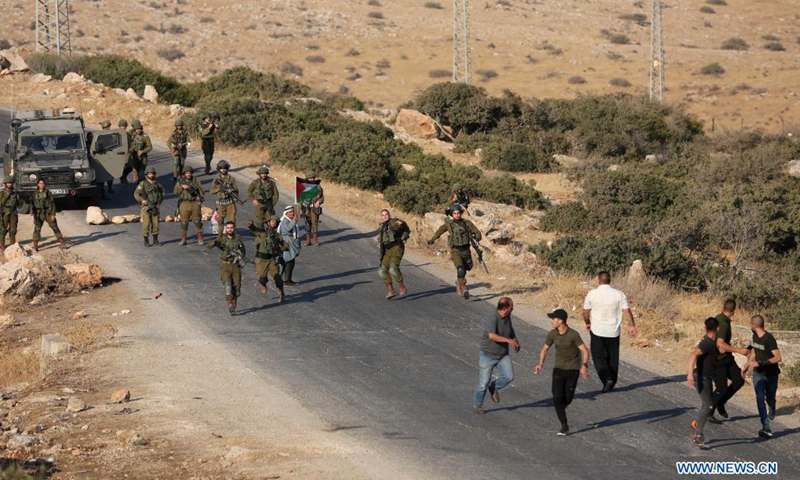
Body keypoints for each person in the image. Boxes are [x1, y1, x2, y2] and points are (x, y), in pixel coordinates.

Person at [534, 309, 590, 436]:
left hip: (572, 370)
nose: (551, 321)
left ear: (561, 321)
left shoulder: (573, 335)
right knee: (557, 396)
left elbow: (585, 351)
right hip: (558, 369)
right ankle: (564, 425)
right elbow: (544, 350)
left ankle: (561, 408)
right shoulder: (552, 334)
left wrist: (584, 366)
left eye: (553, 319)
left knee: (567, 399)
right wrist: (540, 364)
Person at [582, 271, 637, 393]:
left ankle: (607, 379)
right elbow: (627, 311)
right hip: (614, 331)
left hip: (597, 330)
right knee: (613, 358)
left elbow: (585, 312)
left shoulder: (592, 294)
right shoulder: (619, 294)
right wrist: (632, 326)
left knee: (598, 356)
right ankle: (613, 379)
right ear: (610, 281)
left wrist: (587, 323)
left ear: (598, 281)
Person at [474, 297, 519, 414]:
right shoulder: (492, 317)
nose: (512, 310)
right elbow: (492, 336)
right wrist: (508, 341)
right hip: (488, 355)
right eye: (511, 308)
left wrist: (515, 340)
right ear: (505, 309)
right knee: (483, 383)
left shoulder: (508, 316)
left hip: (503, 355)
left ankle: (494, 387)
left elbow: (510, 329)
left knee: (509, 376)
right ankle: (478, 405)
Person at [427, 203, 481, 299]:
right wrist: (432, 239)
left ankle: (458, 282)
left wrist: (477, 237)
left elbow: (476, 231)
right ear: (452, 214)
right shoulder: (449, 225)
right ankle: (464, 288)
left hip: (466, 250)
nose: (457, 215)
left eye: (458, 213)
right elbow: (439, 231)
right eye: (455, 213)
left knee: (465, 269)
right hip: (455, 250)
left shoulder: (466, 223)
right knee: (460, 269)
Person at [743, 315, 782, 439]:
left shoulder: (769, 338)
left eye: (750, 324)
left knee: (769, 398)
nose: (750, 326)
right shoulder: (754, 336)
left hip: (771, 374)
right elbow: (755, 350)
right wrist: (748, 364)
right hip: (758, 373)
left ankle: (772, 404)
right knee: (760, 398)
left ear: (754, 325)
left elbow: (778, 357)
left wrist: (760, 363)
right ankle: (766, 426)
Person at [711, 299, 749, 422]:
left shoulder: (722, 319)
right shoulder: (723, 323)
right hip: (718, 360)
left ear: (723, 307)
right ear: (733, 311)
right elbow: (720, 344)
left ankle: (721, 403)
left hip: (727, 358)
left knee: (738, 379)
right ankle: (708, 412)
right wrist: (739, 350)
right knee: (721, 388)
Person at [687, 317, 720, 449]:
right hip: (701, 378)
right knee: (708, 406)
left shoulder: (710, 341)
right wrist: (690, 374)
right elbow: (693, 354)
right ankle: (697, 435)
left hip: (707, 377)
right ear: (717, 328)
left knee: (706, 405)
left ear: (705, 328)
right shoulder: (707, 343)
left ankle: (698, 424)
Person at [248, 216, 288, 303]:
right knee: (262, 277)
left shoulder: (276, 235)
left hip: (271, 259)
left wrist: (282, 248)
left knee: (277, 276)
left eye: (275, 222)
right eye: (272, 221)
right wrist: (251, 225)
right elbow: (254, 229)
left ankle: (281, 291)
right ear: (268, 222)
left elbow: (284, 244)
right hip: (261, 259)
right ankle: (263, 283)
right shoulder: (262, 232)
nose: (274, 223)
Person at [208, 220, 245, 315]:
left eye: (231, 228)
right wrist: (215, 243)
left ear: (234, 228)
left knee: (236, 289)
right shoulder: (222, 238)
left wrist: (241, 256)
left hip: (236, 266)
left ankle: (233, 306)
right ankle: (229, 304)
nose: (230, 229)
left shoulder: (238, 238)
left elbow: (243, 251)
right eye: (228, 228)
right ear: (225, 228)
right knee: (228, 285)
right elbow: (209, 246)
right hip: (225, 265)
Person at [377, 209, 411, 299]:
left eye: (386, 214)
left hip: (397, 248)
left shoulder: (393, 221)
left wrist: (400, 223)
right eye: (383, 215)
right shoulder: (382, 226)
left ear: (389, 214)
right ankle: (391, 290)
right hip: (387, 250)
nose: (385, 216)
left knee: (393, 269)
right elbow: (381, 238)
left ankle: (402, 287)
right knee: (382, 271)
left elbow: (400, 224)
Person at [31, 178, 67, 251]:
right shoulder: (34, 193)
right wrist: (32, 210)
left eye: (43, 183)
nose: (41, 185)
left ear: (44, 184)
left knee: (54, 226)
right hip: (39, 213)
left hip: (48, 212)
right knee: (37, 229)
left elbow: (52, 203)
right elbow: (32, 203)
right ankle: (35, 246)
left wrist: (53, 214)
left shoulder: (48, 193)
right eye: (40, 183)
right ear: (38, 184)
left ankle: (62, 241)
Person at [134, 166, 165, 247]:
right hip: (146, 207)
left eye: (152, 174)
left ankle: (155, 240)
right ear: (147, 175)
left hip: (155, 206)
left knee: (156, 224)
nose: (151, 175)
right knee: (146, 224)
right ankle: (146, 240)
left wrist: (159, 201)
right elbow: (136, 193)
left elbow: (163, 192)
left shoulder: (157, 184)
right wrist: (142, 200)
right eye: (150, 174)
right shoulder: (143, 183)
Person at [173, 166, 205, 246]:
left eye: (190, 173)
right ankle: (183, 239)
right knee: (184, 222)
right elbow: (175, 192)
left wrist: (199, 196)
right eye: (187, 173)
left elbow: (202, 190)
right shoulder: (181, 182)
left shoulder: (196, 180)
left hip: (195, 203)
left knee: (197, 221)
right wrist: (182, 187)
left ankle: (200, 238)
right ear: (184, 174)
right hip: (184, 203)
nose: (188, 174)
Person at [278, 205, 302, 286]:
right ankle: (285, 280)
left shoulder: (289, 219)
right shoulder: (285, 220)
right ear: (287, 213)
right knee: (288, 261)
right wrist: (294, 221)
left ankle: (286, 279)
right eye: (291, 212)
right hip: (287, 243)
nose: (293, 213)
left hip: (290, 243)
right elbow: (286, 229)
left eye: (293, 211)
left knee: (290, 261)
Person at [210, 159, 238, 225]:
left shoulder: (231, 179)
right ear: (219, 169)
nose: (223, 170)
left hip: (230, 201)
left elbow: (236, 189)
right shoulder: (216, 179)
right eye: (221, 168)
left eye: (225, 168)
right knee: (220, 220)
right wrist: (219, 189)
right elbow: (212, 191)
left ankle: (232, 233)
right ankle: (220, 234)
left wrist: (234, 195)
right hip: (220, 202)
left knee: (232, 219)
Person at [300, 171, 324, 246]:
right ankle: (308, 241)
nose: (311, 179)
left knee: (315, 223)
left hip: (314, 208)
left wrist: (318, 202)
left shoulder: (318, 187)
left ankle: (315, 241)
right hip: (306, 208)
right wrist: (300, 209)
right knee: (307, 224)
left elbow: (322, 198)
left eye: (312, 178)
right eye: (309, 178)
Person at [0, 175, 21, 251]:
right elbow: (1, 203)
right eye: (8, 183)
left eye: (11, 183)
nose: (10, 184)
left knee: (13, 230)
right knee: (3, 229)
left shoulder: (14, 193)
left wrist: (18, 197)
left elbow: (19, 204)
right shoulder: (2, 193)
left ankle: (12, 244)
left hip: (13, 213)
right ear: (5, 184)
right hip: (5, 213)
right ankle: (2, 244)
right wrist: (6, 196)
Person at [99, 120, 115, 194]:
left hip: (107, 157)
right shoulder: (101, 136)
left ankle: (108, 188)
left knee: (109, 175)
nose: (109, 128)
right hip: (103, 158)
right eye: (109, 126)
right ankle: (103, 191)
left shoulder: (106, 135)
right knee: (102, 176)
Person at [118, 119, 134, 185]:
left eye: (124, 126)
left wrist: (131, 149)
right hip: (119, 153)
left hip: (127, 153)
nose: (123, 127)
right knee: (122, 167)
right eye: (122, 126)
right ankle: (122, 178)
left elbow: (131, 142)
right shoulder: (116, 134)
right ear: (119, 126)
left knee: (130, 168)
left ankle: (123, 176)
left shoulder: (127, 134)